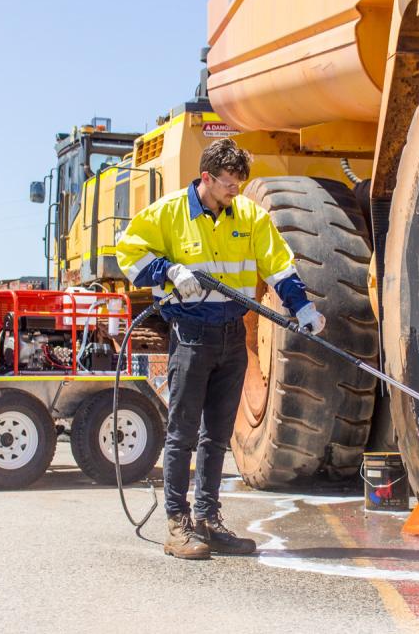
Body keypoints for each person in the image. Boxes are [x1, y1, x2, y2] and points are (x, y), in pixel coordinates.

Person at [115, 139, 325, 560]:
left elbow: (277, 264)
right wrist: (169, 270)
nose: (234, 192)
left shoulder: (248, 214)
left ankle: (209, 521)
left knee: (217, 437)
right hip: (191, 336)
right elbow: (129, 255)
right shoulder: (168, 213)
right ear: (206, 178)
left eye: (239, 184)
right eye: (228, 184)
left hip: (232, 336)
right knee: (182, 434)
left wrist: (303, 307)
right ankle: (178, 525)